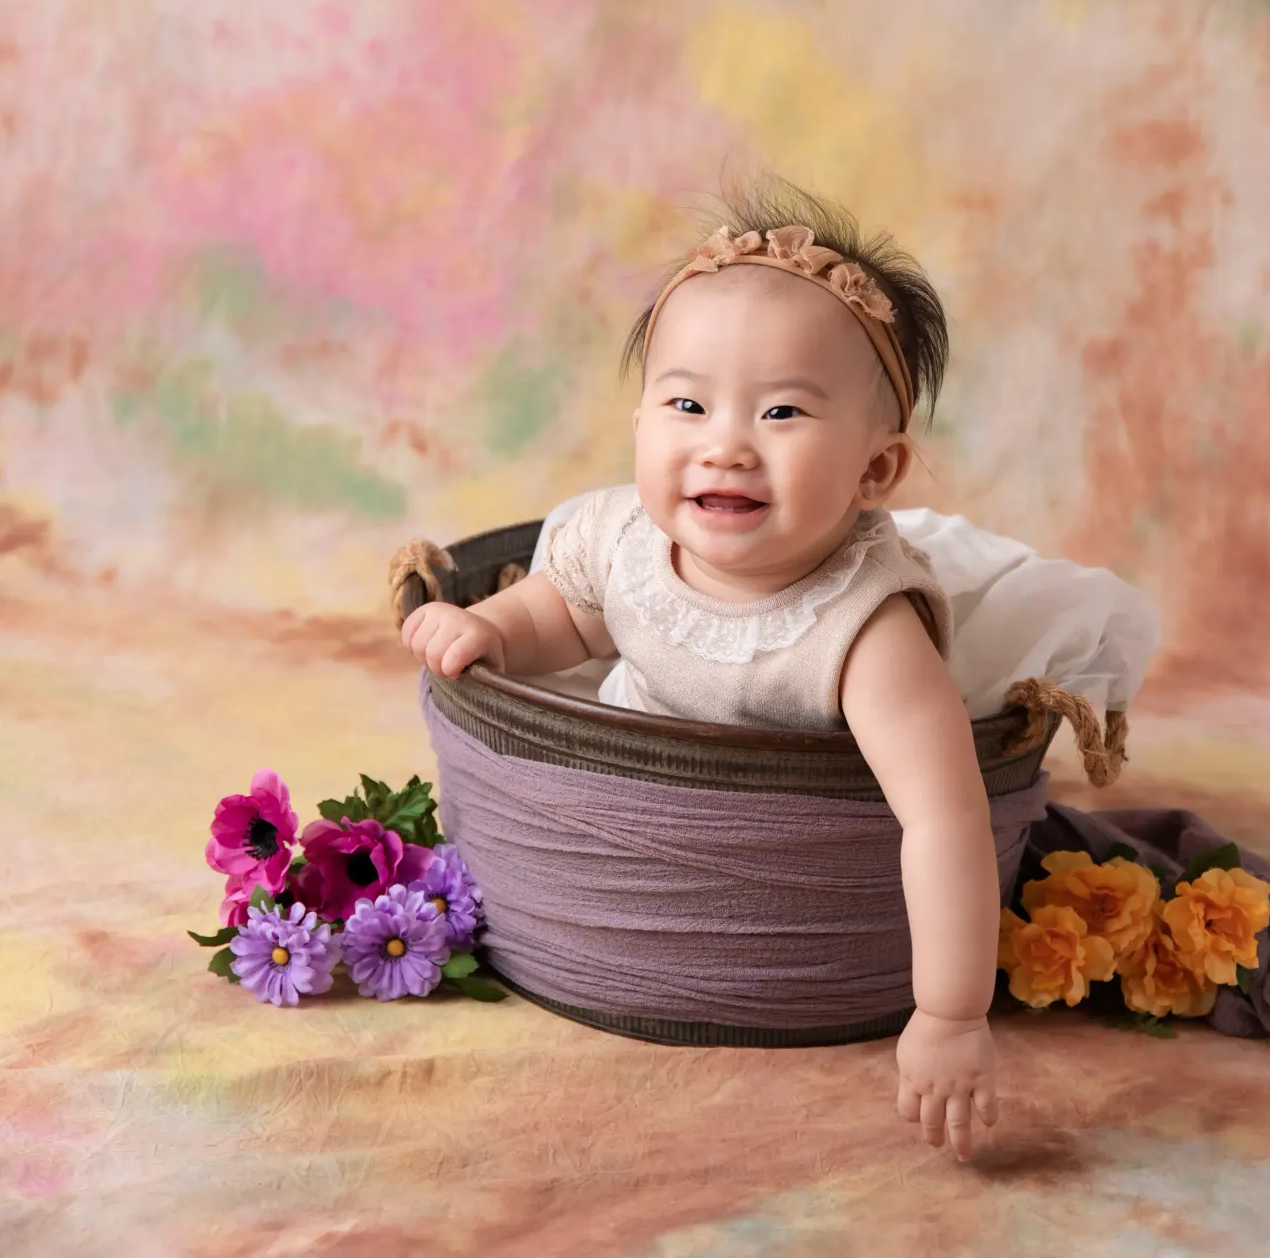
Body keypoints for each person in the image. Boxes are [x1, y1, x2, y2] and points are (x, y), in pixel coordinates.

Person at [400, 179, 1002, 1161]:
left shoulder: (864, 629)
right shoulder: (623, 536)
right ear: (641, 425)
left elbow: (946, 815)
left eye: (782, 412)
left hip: (770, 877)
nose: (725, 443)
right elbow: (567, 609)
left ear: (876, 470)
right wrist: (495, 630)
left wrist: (949, 1011)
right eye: (687, 402)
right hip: (618, 832)